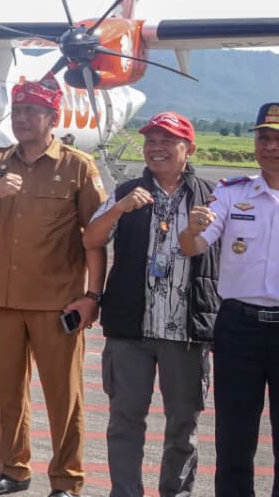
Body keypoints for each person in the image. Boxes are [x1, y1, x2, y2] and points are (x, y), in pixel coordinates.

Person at [0, 74, 106, 497]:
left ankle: (66, 480)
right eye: (18, 110)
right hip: (3, 299)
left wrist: (92, 296)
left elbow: (95, 238)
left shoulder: (78, 166)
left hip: (57, 303)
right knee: (8, 393)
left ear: (51, 116)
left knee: (64, 397)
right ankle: (12, 469)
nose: (22, 118)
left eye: (32, 112)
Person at [81, 111, 218, 497]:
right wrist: (119, 209)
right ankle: (125, 492)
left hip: (186, 331)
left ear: (188, 148)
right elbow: (91, 239)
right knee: (124, 420)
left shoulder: (212, 195)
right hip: (131, 329)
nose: (156, 149)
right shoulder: (126, 192)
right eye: (151, 141)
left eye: (167, 141)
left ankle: (177, 492)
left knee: (182, 425)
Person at [179, 101, 279, 497]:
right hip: (240, 327)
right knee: (235, 435)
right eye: (264, 138)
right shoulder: (231, 193)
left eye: (278, 139)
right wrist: (191, 230)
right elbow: (193, 246)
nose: (270, 147)